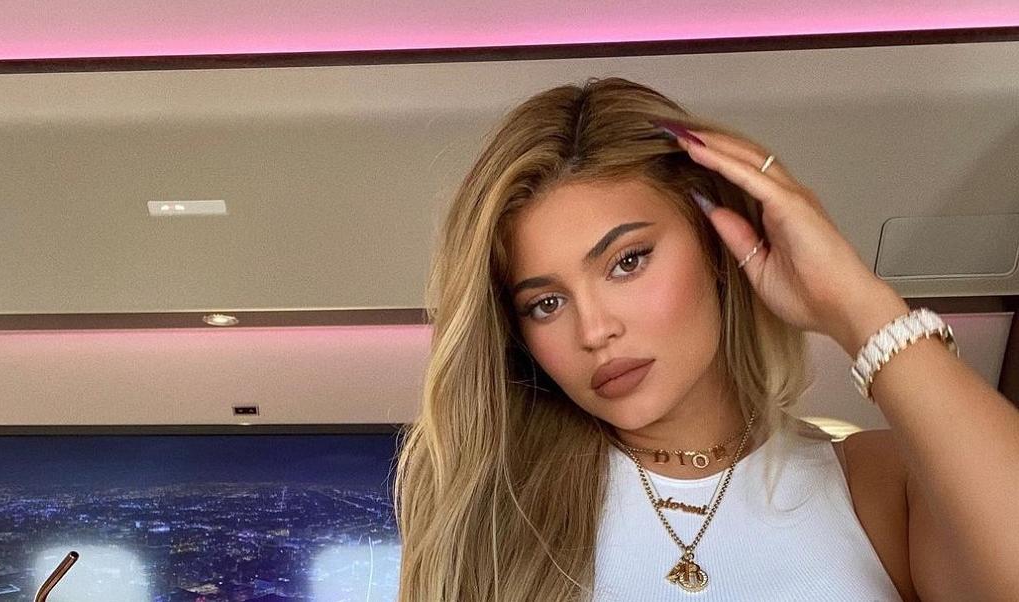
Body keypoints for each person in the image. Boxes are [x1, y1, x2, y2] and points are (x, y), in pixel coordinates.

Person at [394, 77, 1018, 601]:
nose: (595, 330)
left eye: (627, 261)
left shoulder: (877, 483)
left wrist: (859, 308)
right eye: (546, 303)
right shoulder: (490, 512)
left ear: (717, 245)